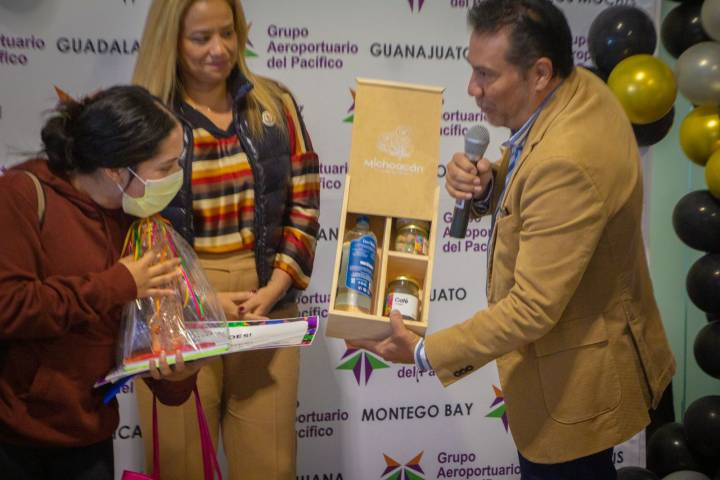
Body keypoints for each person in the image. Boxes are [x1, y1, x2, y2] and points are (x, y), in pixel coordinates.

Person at [353, 1, 676, 479]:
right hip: (582, 360)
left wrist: (423, 352)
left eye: (486, 74)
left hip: (575, 391)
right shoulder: (578, 90)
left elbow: (531, 308)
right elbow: (533, 162)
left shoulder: (566, 160)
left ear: (540, 73)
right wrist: (489, 185)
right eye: (473, 70)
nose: (472, 88)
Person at [132, 1, 320, 478]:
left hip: (264, 303)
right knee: (180, 466)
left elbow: (304, 201)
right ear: (171, 41)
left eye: (228, 33)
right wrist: (199, 299)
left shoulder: (275, 105)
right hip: (174, 308)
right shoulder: (142, 117)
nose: (219, 49)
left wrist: (277, 287)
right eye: (201, 38)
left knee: (271, 467)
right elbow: (132, 226)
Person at [0, 85, 203, 480]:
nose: (177, 177)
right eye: (166, 167)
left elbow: (148, 339)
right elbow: (11, 306)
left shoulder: (142, 224)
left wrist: (179, 374)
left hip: (91, 438)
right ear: (115, 170)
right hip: (15, 440)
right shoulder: (22, 195)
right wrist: (117, 284)